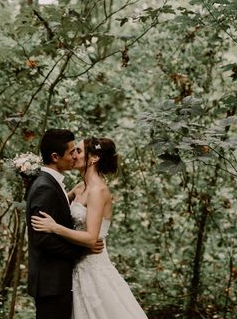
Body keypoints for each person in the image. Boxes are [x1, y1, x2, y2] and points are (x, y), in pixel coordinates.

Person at [31, 137, 147, 319]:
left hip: (93, 264)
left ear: (93, 158)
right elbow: (53, 201)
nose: (73, 155)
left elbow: (91, 238)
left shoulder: (98, 191)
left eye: (77, 151)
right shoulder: (79, 187)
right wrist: (31, 181)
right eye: (72, 151)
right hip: (76, 265)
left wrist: (55, 228)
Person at [26, 129, 104, 319]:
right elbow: (43, 239)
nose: (74, 156)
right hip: (51, 283)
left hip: (56, 282)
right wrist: (81, 252)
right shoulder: (45, 186)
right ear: (55, 156)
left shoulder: (51, 182)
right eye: (71, 152)